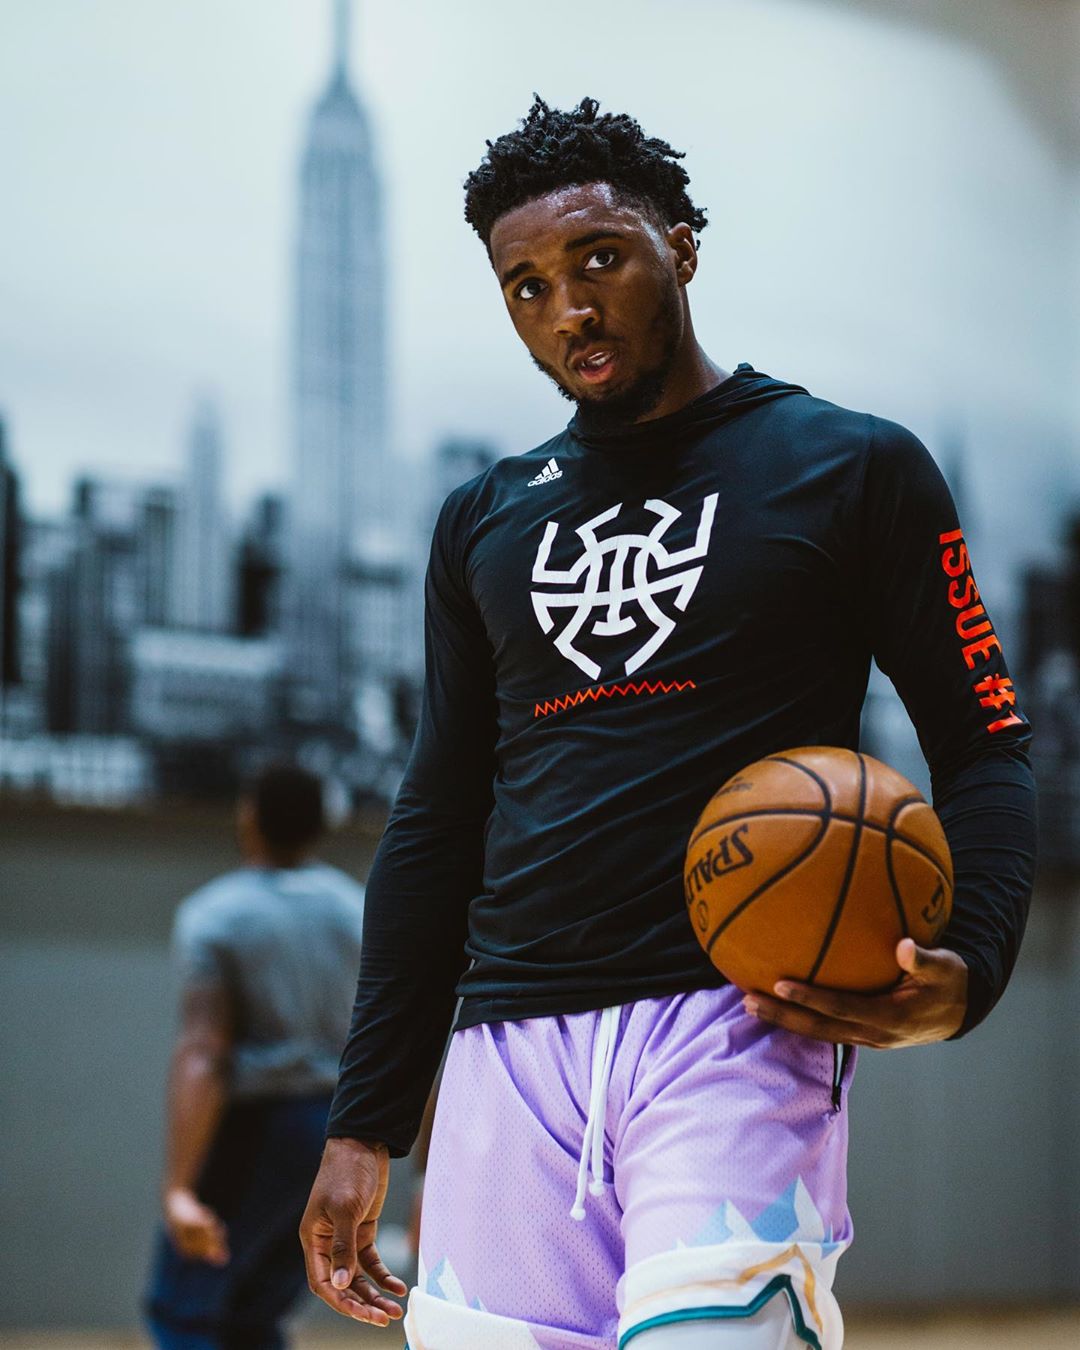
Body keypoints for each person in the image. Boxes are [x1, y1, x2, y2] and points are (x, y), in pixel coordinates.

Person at [299, 97, 1037, 1350]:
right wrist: (365, 1116)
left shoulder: (853, 466)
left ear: (682, 247)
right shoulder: (483, 518)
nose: (569, 310)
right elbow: (437, 816)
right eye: (527, 286)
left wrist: (970, 966)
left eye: (600, 259)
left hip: (739, 1022)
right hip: (504, 1047)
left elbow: (986, 747)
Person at [145, 764, 365, 1350]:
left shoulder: (216, 916)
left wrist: (179, 1188)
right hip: (337, 1134)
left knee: (183, 1310)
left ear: (249, 817)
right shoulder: (358, 911)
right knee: (255, 1317)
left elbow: (204, 1053)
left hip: (257, 1132)